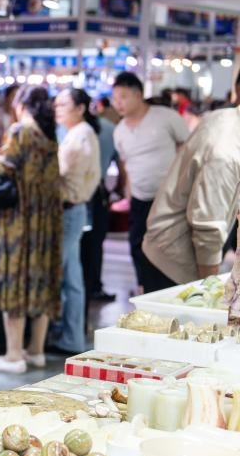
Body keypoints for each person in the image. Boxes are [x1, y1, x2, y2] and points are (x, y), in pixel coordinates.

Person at [0, 87, 62, 374]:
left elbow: (1, 169)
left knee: (14, 280)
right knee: (40, 282)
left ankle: (13, 356)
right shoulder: (48, 136)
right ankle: (35, 350)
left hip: (19, 221)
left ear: (21, 105)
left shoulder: (21, 131)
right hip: (45, 221)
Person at [142, 90, 240, 286]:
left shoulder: (225, 117)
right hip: (174, 259)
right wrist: (208, 288)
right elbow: (208, 226)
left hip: (166, 245)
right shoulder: (226, 155)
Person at [111, 72, 189, 293]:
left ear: (138, 95)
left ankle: (173, 290)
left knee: (169, 246)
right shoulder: (119, 131)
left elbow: (188, 149)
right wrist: (128, 195)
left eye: (123, 97)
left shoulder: (165, 117)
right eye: (115, 98)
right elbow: (126, 165)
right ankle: (144, 286)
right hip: (139, 198)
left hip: (169, 197)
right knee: (137, 244)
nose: (118, 103)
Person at [47, 89, 101, 353]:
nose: (57, 109)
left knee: (67, 278)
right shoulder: (78, 132)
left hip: (69, 211)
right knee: (71, 277)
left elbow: (59, 174)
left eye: (63, 104)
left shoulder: (80, 135)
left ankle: (70, 337)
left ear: (80, 108)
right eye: (56, 104)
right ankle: (71, 336)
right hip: (73, 210)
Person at [82, 104, 121, 303]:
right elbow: (121, 164)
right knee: (96, 244)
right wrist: (119, 190)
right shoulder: (110, 129)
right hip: (98, 192)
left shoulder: (74, 130)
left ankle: (84, 288)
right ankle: (94, 286)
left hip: (77, 195)